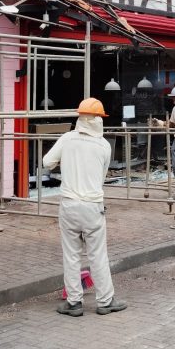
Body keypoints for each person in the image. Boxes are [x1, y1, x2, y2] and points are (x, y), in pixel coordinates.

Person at [43, 98, 127, 317]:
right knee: (98, 255)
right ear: (99, 119)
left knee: (71, 255)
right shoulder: (104, 146)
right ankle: (105, 301)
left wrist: (66, 161)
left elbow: (47, 162)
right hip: (92, 206)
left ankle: (74, 303)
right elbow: (101, 174)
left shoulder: (67, 139)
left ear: (80, 117)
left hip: (69, 205)